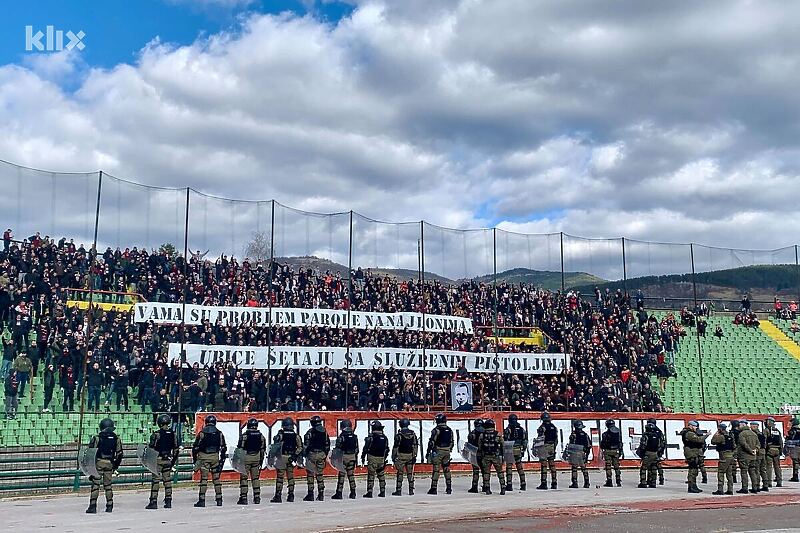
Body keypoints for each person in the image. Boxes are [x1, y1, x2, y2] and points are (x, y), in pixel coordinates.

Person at [86, 418, 123, 514]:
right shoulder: (116, 438)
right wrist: (115, 465)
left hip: (99, 462)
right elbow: (119, 454)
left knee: (96, 485)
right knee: (108, 486)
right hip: (109, 463)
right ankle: (109, 505)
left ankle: (92, 506)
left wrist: (90, 467)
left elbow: (91, 453)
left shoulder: (97, 438)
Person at [145, 413, 180, 509]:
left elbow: (151, 448)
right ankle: (168, 501)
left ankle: (153, 501)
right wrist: (172, 461)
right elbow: (176, 449)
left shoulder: (156, 434)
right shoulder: (173, 434)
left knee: (155, 481)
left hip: (158, 459)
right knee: (167, 480)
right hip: (168, 459)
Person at [191, 414, 227, 507]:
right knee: (216, 479)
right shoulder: (219, 433)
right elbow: (223, 448)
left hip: (204, 457)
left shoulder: (202, 433)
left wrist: (195, 460)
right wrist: (221, 460)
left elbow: (195, 448)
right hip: (215, 457)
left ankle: (202, 500)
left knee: (204, 479)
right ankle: (219, 499)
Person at [271, 417, 303, 503]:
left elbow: (275, 447)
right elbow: (300, 447)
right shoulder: (296, 436)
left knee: (280, 477)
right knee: (290, 477)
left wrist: (272, 457)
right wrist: (295, 455)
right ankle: (291, 495)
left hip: (282, 457)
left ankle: (278, 496)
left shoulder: (281, 435)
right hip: (291, 458)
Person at [237, 417, 266, 505]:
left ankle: (244, 497)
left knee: (244, 478)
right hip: (256, 457)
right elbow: (262, 449)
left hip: (246, 458)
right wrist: (261, 460)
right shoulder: (260, 435)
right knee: (255, 478)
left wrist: (239, 460)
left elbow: (240, 448)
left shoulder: (245, 435)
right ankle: (257, 497)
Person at [303, 415, 330, 501]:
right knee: (320, 474)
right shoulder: (324, 432)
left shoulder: (310, 432)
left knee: (310, 475)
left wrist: (305, 454)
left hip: (312, 454)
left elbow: (306, 446)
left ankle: (310, 495)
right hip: (321, 454)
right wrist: (324, 454)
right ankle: (321, 494)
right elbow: (327, 445)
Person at [426, 413, 454, 495]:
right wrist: (449, 449)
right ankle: (449, 488)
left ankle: (434, 488)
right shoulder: (449, 430)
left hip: (438, 450)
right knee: (446, 468)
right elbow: (452, 442)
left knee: (436, 470)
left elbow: (431, 442)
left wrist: (428, 451)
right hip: (447, 451)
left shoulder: (436, 430)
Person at [477, 418, 506, 495]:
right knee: (500, 472)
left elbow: (480, 447)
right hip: (495, 456)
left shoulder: (482, 435)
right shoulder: (498, 434)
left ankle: (487, 489)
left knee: (486, 473)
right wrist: (503, 456)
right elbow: (503, 446)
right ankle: (503, 487)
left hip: (486, 456)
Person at [332, 419, 359, 500]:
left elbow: (337, 449)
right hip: (352, 457)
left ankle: (339, 493)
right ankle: (353, 492)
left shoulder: (341, 437)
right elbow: (357, 449)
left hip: (343, 457)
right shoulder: (354, 436)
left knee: (341, 476)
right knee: (351, 475)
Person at [362, 420, 389, 498]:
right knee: (381, 475)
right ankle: (382, 491)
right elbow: (386, 449)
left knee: (371, 475)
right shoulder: (384, 437)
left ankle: (370, 492)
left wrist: (363, 456)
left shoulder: (371, 437)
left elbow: (366, 448)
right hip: (381, 458)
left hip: (372, 458)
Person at [392, 418, 418, 496]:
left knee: (400, 473)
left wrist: (393, 457)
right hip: (410, 455)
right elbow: (415, 446)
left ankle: (398, 490)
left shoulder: (399, 435)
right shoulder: (413, 434)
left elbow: (396, 447)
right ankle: (411, 490)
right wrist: (414, 455)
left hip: (401, 455)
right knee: (410, 473)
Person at [680, 421, 707, 493]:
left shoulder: (692, 432)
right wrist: (706, 435)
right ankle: (691, 486)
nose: (696, 428)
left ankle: (694, 486)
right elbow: (698, 440)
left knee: (694, 470)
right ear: (691, 426)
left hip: (694, 452)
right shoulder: (689, 433)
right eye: (695, 426)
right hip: (691, 453)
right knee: (692, 469)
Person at [503, 413, 527, 491]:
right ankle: (523, 484)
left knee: (509, 467)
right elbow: (525, 441)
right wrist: (523, 449)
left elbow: (505, 440)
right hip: (518, 449)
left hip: (510, 449)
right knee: (519, 467)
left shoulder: (508, 430)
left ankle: (509, 485)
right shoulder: (522, 429)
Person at [637, 419, 663, 488]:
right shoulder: (658, 434)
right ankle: (653, 482)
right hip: (655, 453)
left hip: (648, 453)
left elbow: (643, 445)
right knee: (654, 468)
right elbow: (661, 444)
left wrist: (642, 454)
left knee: (644, 468)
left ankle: (643, 482)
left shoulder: (646, 435)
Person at [711, 422, 735, 495]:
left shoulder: (721, 437)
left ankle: (720, 489)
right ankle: (730, 489)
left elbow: (713, 441)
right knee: (729, 474)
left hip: (724, 456)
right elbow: (734, 446)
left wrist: (716, 434)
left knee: (721, 472)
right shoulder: (730, 436)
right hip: (731, 456)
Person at [736, 419, 759, 494]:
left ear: (742, 425)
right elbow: (758, 444)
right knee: (752, 472)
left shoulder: (742, 434)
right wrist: (755, 450)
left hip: (744, 456)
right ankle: (755, 487)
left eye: (739, 425)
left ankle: (744, 488)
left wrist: (750, 450)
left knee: (744, 472)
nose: (738, 426)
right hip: (753, 456)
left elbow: (743, 444)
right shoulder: (753, 433)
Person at [536, 412, 558, 490]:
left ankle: (544, 483)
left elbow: (540, 439)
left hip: (544, 447)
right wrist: (554, 447)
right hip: (551, 446)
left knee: (544, 465)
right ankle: (554, 482)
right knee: (552, 465)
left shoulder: (542, 428)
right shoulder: (554, 427)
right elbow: (556, 439)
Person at [568, 420, 591, 489]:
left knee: (574, 468)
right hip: (583, 453)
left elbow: (571, 444)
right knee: (584, 468)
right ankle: (587, 482)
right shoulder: (585, 434)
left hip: (575, 452)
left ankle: (575, 483)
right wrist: (587, 455)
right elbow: (589, 445)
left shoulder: (573, 435)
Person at [600, 419, 623, 487]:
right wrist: (620, 451)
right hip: (616, 450)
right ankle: (618, 481)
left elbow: (602, 444)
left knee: (608, 466)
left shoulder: (605, 434)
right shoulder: (618, 433)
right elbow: (620, 443)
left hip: (607, 451)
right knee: (617, 466)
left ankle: (609, 481)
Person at [764, 417, 783, 488]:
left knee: (768, 467)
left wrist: (765, 450)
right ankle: (779, 481)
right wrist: (781, 450)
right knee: (777, 467)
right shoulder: (777, 431)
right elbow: (781, 441)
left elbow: (764, 440)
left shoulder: (766, 430)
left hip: (769, 450)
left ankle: (769, 482)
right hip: (777, 450)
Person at [467, 418, 485, 493]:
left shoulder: (472, 433)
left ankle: (474, 487)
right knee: (485, 471)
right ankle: (486, 486)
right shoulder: (485, 433)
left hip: (475, 454)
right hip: (484, 454)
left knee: (476, 471)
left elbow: (469, 444)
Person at [752, 421, 768, 492]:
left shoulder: (754, 434)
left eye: (752, 426)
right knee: (763, 469)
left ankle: (757, 486)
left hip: (758, 452)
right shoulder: (762, 434)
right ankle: (765, 485)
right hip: (763, 452)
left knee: (756, 470)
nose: (751, 427)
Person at [788, 417, 800, 482]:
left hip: (795, 447)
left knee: (795, 462)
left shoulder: (793, 430)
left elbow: (790, 438)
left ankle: (795, 476)